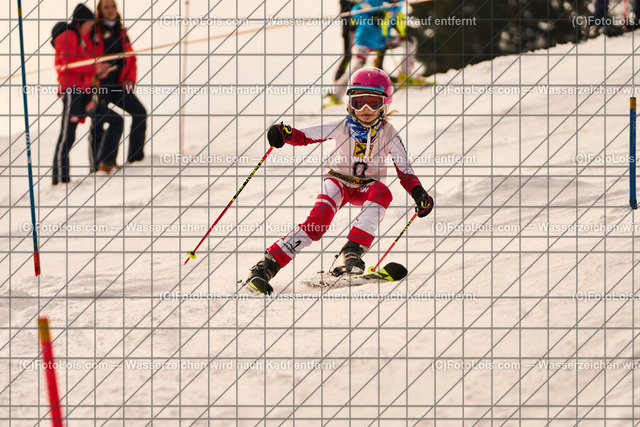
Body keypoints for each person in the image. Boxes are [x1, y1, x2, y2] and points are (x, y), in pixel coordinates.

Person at [245, 68, 434, 295]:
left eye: (373, 103)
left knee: (382, 192)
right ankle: (266, 266)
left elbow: (405, 171)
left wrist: (418, 193)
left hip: (366, 187)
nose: (365, 110)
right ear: (349, 103)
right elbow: (304, 136)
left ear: (384, 105)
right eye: (358, 102)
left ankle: (349, 255)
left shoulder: (389, 133)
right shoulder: (341, 126)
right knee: (317, 223)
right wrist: (283, 134)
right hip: (338, 182)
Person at [52, 3, 123, 184]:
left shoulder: (82, 40)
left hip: (85, 92)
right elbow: (68, 62)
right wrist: (94, 67)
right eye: (89, 24)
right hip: (72, 91)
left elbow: (85, 65)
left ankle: (100, 167)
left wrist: (97, 72)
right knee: (68, 135)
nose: (91, 28)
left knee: (115, 119)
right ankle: (60, 180)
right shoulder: (67, 35)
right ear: (81, 22)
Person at [90, 0, 147, 173]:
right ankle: (101, 165)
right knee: (98, 123)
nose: (110, 10)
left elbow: (131, 58)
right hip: (100, 85)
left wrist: (130, 79)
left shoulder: (121, 32)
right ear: (100, 11)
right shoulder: (94, 31)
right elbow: (86, 56)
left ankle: (135, 158)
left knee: (140, 113)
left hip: (119, 85)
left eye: (112, 6)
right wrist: (95, 70)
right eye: (106, 7)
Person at [325, 0, 402, 107]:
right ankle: (335, 95)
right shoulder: (375, 1)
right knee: (356, 67)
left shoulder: (398, 5)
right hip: (364, 41)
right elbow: (356, 11)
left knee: (409, 42)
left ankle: (404, 77)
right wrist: (371, 21)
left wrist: (389, 35)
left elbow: (390, 22)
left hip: (381, 41)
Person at [334, 0, 357, 82]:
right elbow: (346, 15)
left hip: (358, 30)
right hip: (349, 31)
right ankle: (338, 80)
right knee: (348, 55)